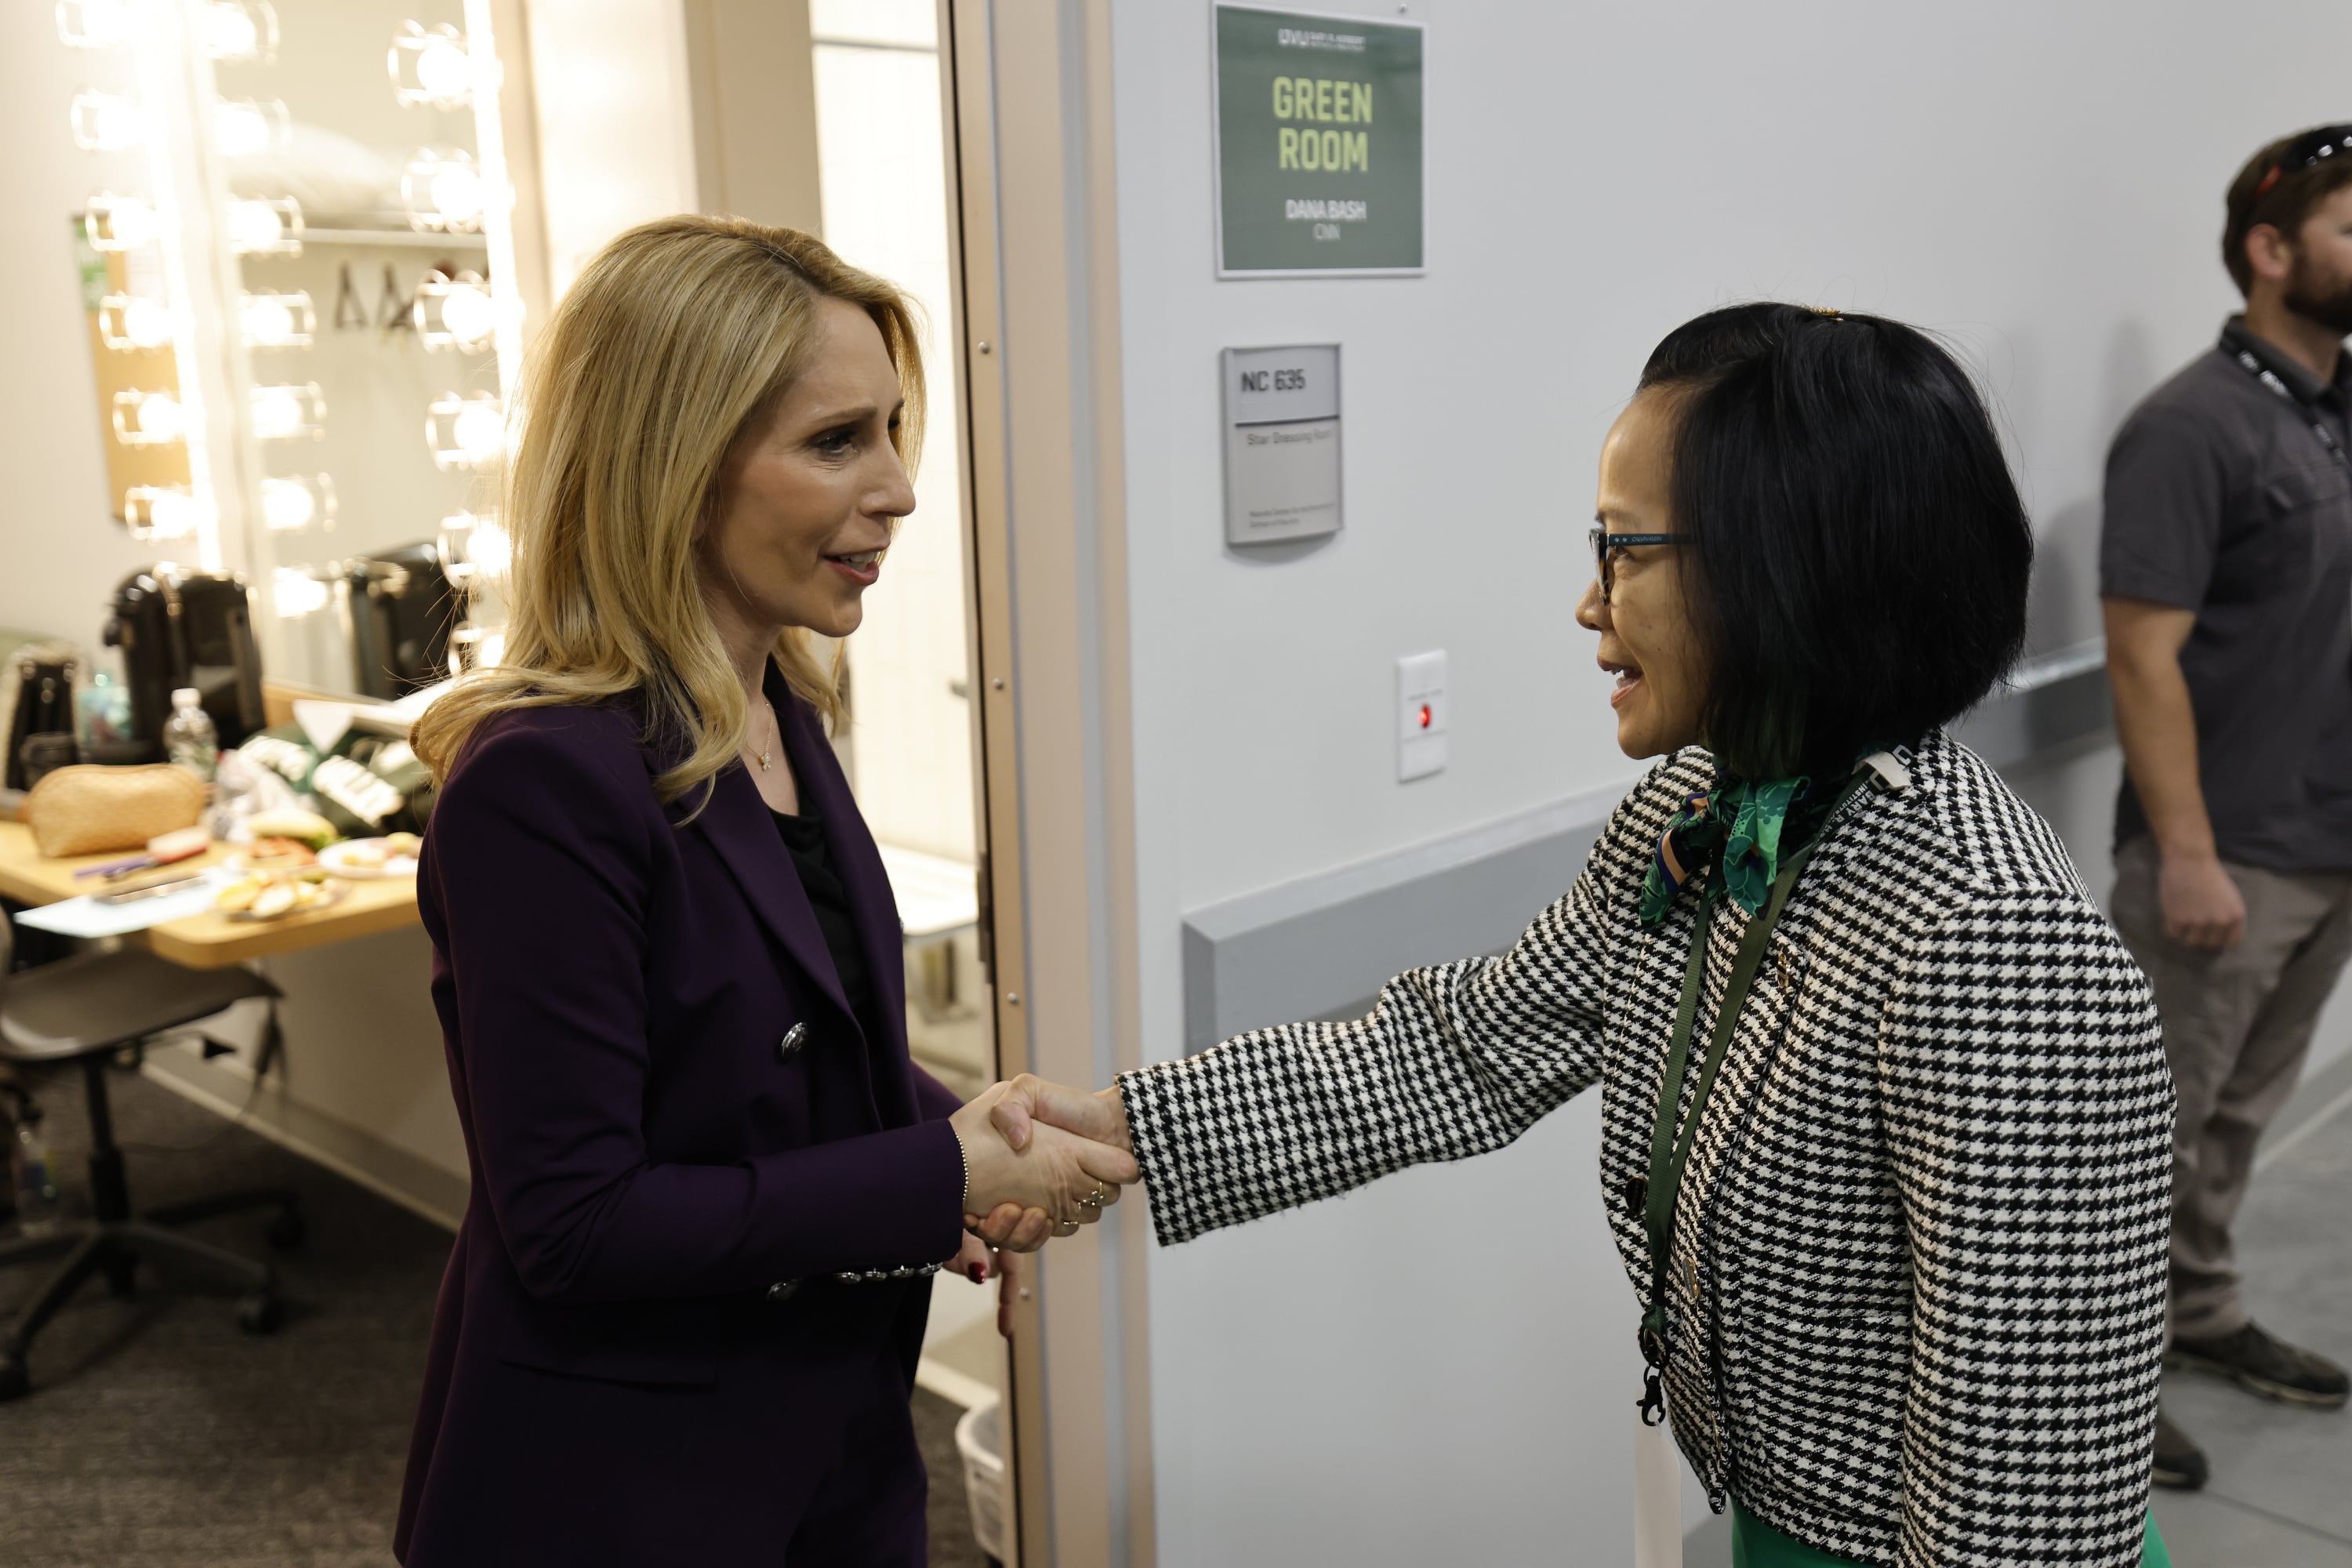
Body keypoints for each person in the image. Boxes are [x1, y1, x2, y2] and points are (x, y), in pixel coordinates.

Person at [999, 304, 2176, 1566]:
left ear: (1791, 563)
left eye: (1623, 550)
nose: (1586, 602)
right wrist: (1122, 1128)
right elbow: (1460, 1048)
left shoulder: (1994, 950)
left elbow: (2028, 1520)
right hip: (1773, 1524)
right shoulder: (1700, 808)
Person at [396, 216, 1136, 1566]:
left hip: (833, 1435)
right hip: (625, 1488)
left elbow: (780, 1064)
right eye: (838, 441)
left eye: (896, 431)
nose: (903, 489)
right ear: (674, 465)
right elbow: (576, 1221)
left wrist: (970, 1139)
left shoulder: (780, 705)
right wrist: (936, 1174)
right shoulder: (540, 783)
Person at [2101, 124, 2352, 1493]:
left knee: (2245, 1113)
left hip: (2330, 845)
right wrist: (2186, 853)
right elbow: (2142, 655)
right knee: (2145, 1134)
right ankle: (2095, 1380)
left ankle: (2200, 1315)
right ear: (2271, 251)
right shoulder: (2191, 427)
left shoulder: (2337, 407)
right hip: (2226, 859)